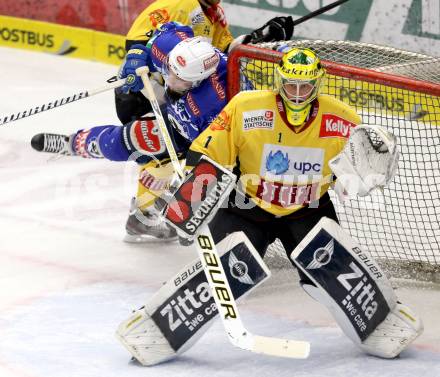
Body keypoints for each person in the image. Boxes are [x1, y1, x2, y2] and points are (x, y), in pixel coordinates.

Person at [166, 46, 423, 359]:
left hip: (308, 210)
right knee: (219, 275)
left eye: (305, 86)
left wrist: (369, 173)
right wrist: (193, 181)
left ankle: (379, 319)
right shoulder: (246, 108)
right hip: (247, 207)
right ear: (279, 81)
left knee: (331, 276)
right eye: (291, 85)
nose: (298, 94)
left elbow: (353, 178)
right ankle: (165, 320)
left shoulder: (343, 119)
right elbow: (209, 152)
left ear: (318, 84)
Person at [31, 22, 228, 242]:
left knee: (170, 175)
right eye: (170, 71)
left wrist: (190, 196)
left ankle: (146, 215)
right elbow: (146, 37)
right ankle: (71, 143)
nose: (169, 80)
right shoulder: (172, 46)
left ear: (200, 80)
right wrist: (135, 57)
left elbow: (219, 154)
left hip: (206, 141)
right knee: (123, 142)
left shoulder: (219, 100)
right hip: (175, 123)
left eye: (179, 80)